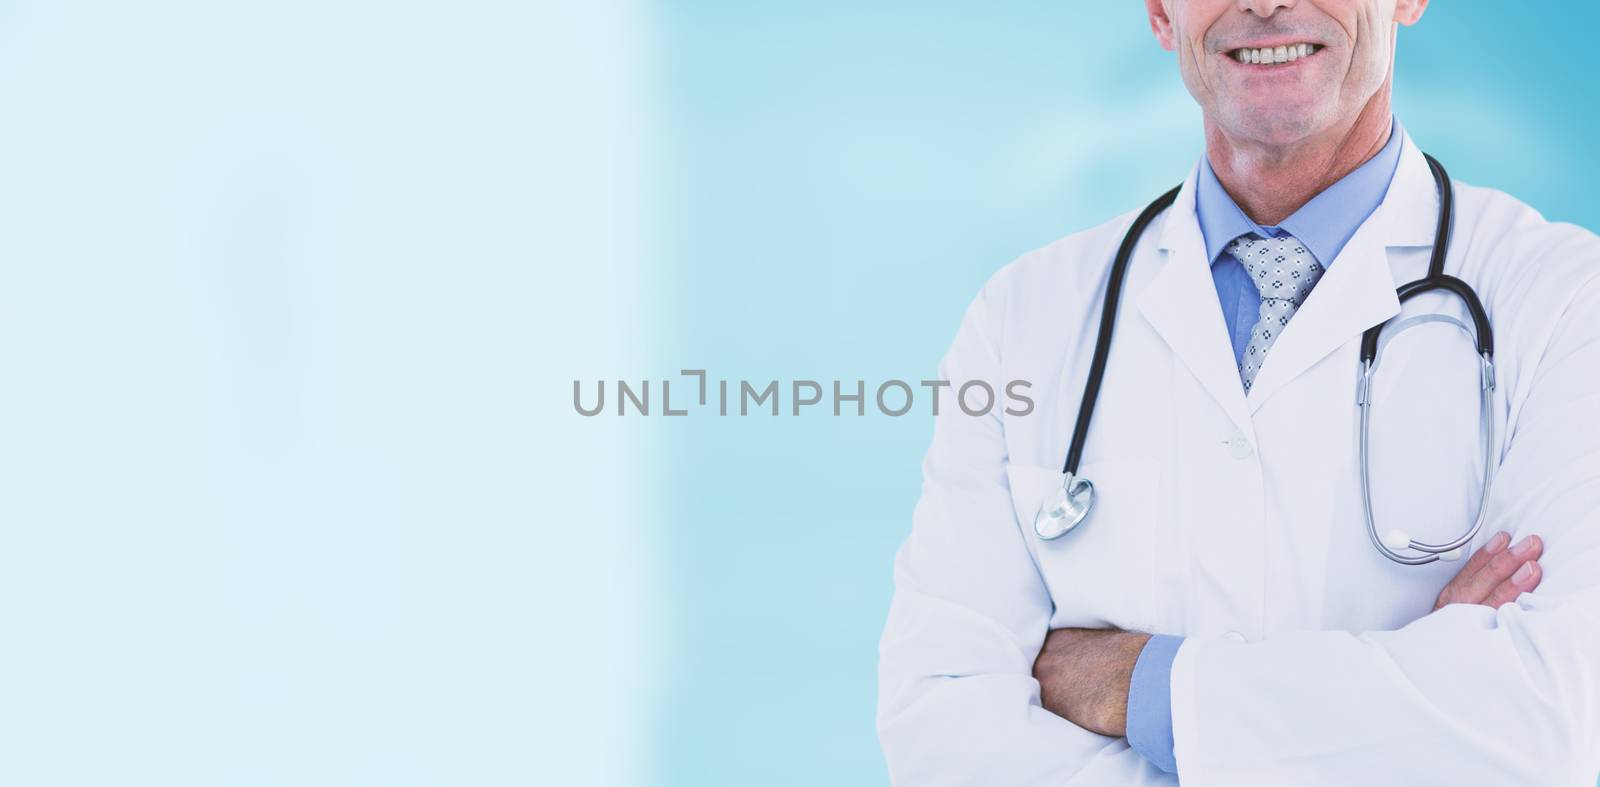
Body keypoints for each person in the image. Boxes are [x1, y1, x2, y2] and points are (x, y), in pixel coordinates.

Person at [876, 1, 1600, 785]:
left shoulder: (1562, 303)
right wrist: (1418, 711)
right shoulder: (1023, 316)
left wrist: (1138, 685)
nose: (1266, 4)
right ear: (1160, 11)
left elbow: (1555, 715)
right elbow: (940, 726)